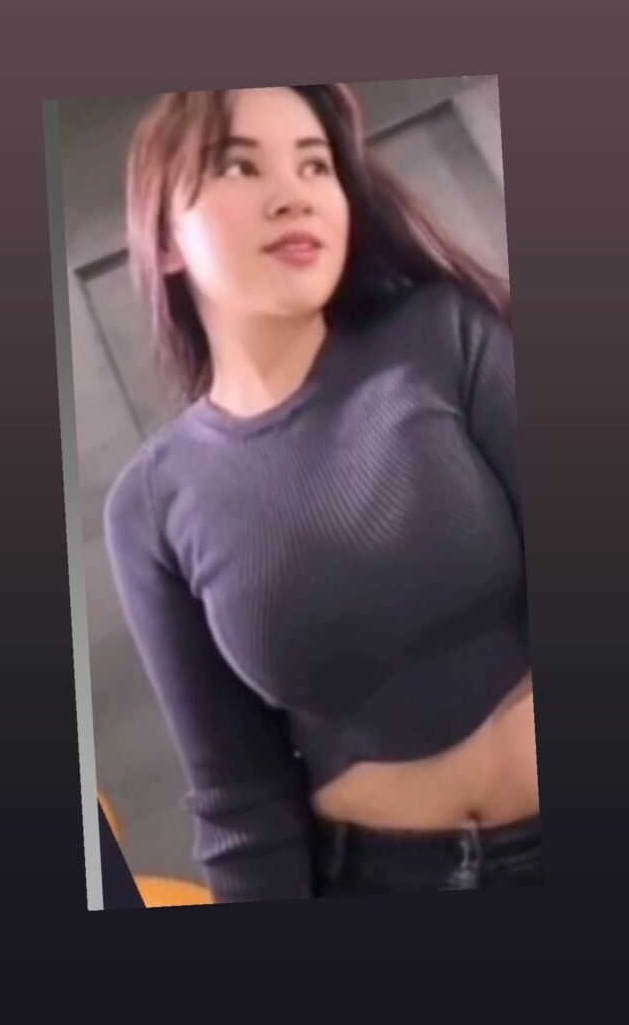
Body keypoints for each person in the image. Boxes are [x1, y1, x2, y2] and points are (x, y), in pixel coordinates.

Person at [104, 83, 542, 903]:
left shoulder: (445, 334)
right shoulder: (151, 507)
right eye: (240, 167)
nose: (293, 194)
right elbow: (239, 798)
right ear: (163, 240)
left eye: (315, 166)